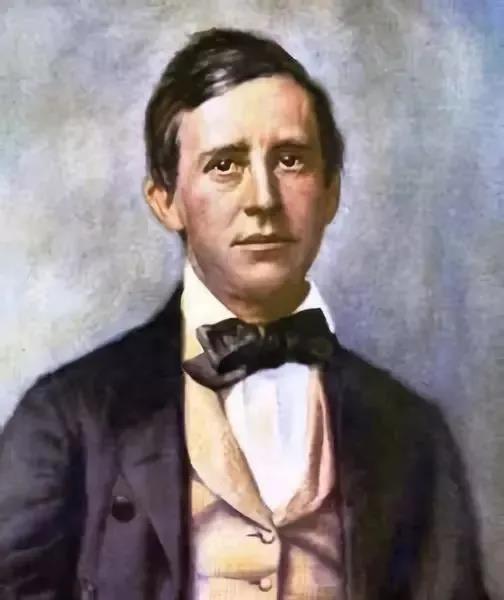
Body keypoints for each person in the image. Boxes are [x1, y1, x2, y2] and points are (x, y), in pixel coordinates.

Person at [0, 28, 489, 600]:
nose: (263, 198)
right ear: (166, 201)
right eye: (225, 165)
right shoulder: (69, 419)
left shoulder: (411, 433)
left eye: (290, 160)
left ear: (331, 191)